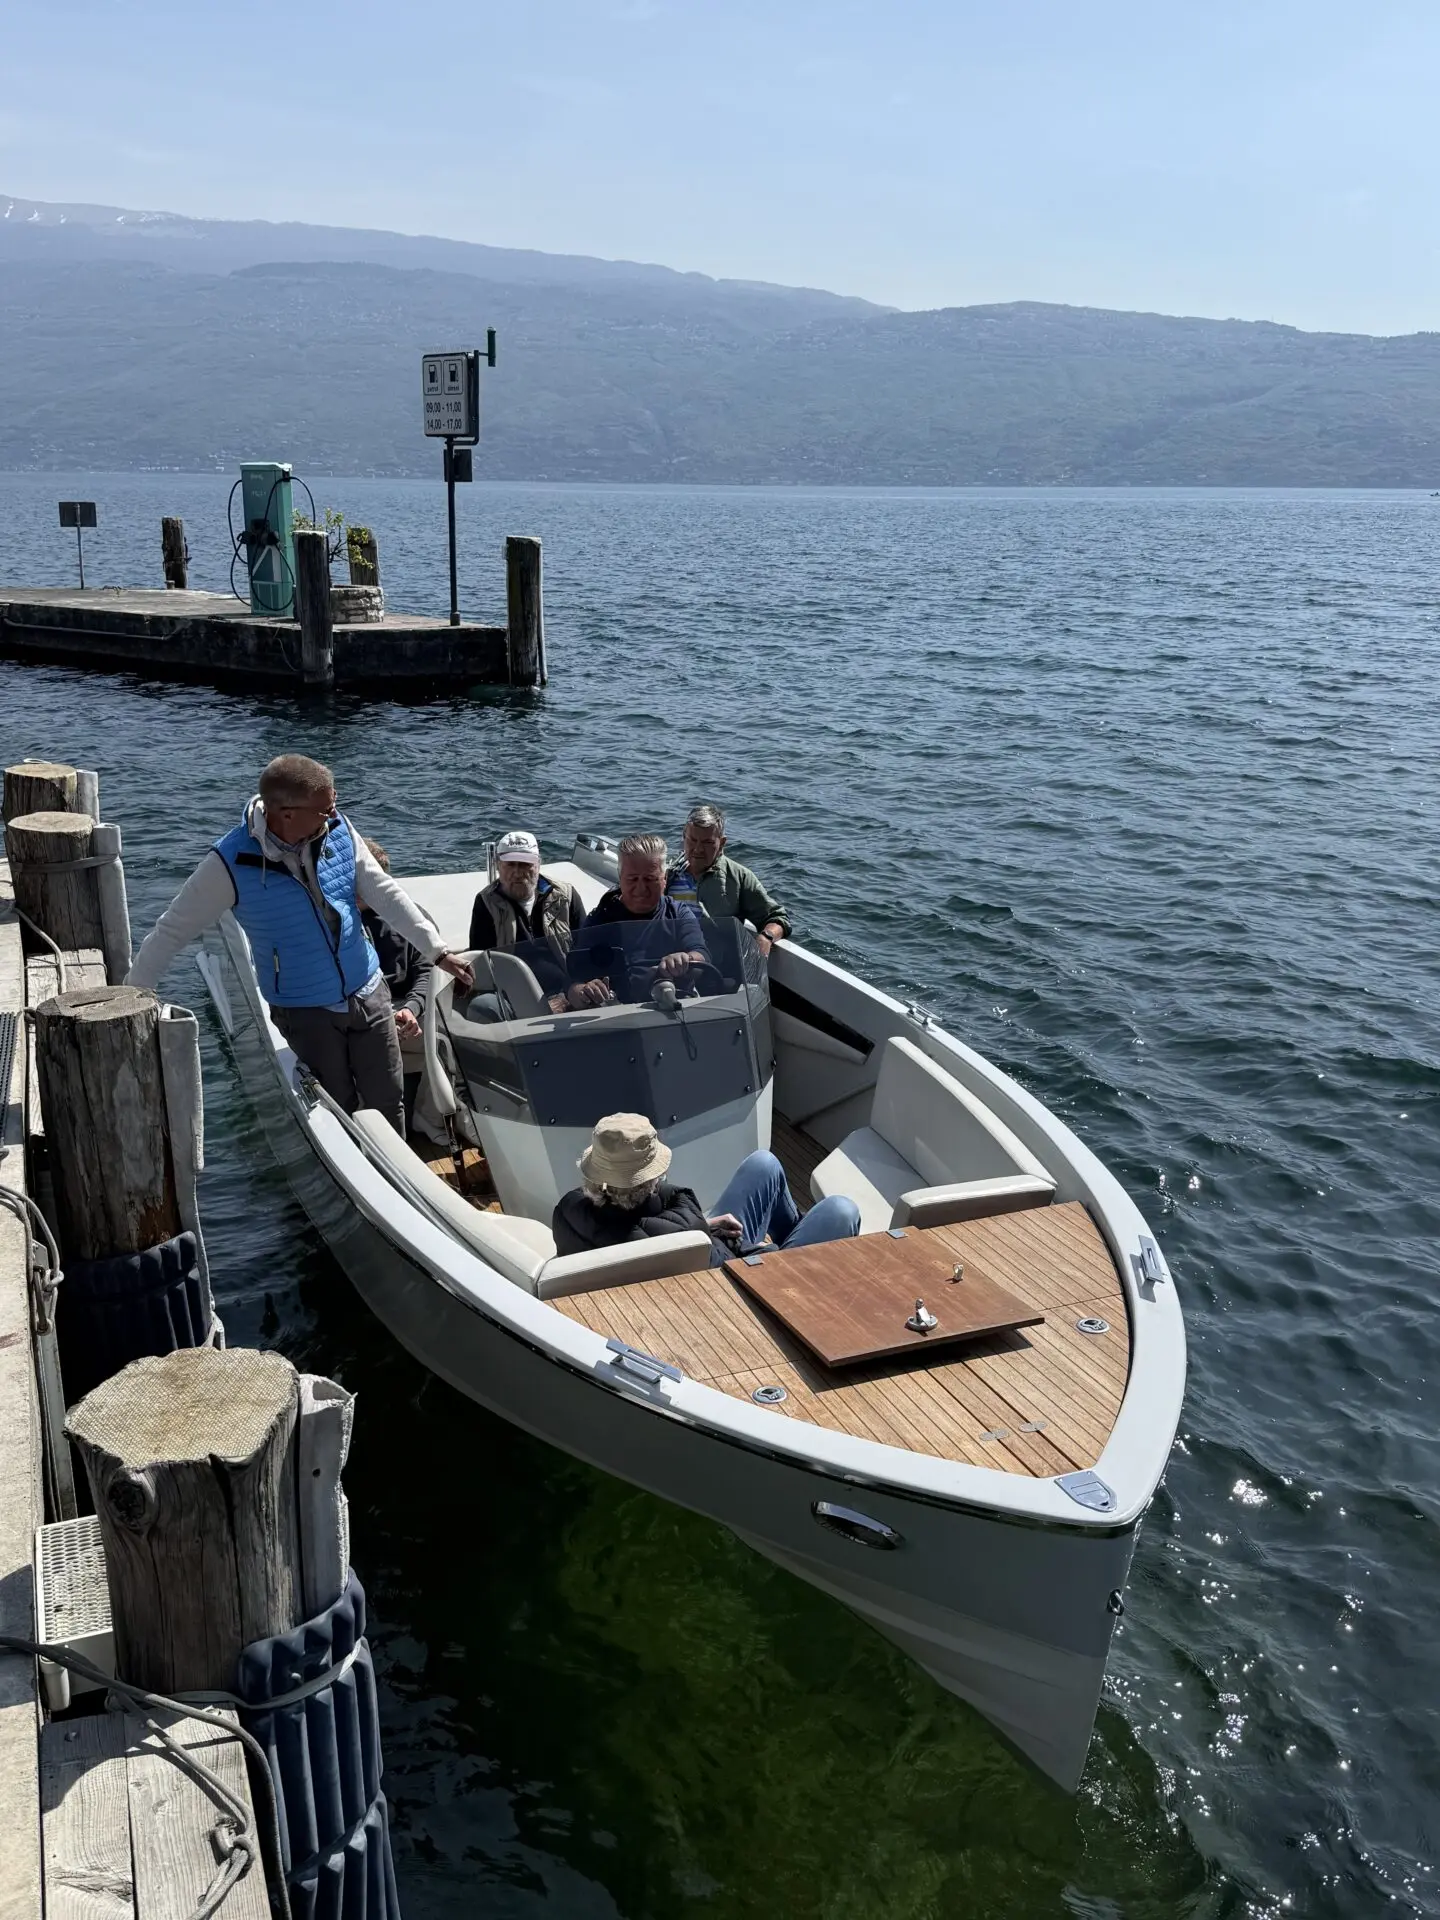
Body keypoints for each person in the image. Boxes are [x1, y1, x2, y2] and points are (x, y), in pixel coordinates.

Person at [126, 754, 473, 1132]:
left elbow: (385, 893)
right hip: (306, 1010)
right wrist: (132, 998)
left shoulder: (338, 827)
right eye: (325, 809)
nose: (333, 814)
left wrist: (437, 951)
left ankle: (399, 1179)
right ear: (286, 813)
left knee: (389, 1100)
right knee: (338, 1108)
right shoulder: (229, 863)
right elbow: (172, 930)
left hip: (370, 991)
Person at [553, 1112, 861, 1263]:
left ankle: (800, 1237)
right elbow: (680, 1236)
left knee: (763, 1164)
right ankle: (805, 1252)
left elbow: (643, 1231)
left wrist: (707, 1226)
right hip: (750, 1279)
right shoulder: (680, 1226)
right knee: (841, 1211)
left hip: (708, 1253)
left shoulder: (569, 1213)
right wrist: (773, 1254)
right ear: (650, 1182)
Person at [569, 833, 710, 1007]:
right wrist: (583, 991)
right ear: (620, 878)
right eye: (633, 879)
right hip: (618, 1015)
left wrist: (686, 959)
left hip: (676, 1009)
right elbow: (573, 981)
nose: (641, 888)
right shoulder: (599, 920)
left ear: (664, 879)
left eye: (650, 879)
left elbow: (701, 955)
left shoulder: (678, 913)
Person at [666, 802, 790, 957]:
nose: (698, 849)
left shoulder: (738, 877)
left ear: (722, 842)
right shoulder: (666, 875)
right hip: (668, 961)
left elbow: (777, 917)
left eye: (707, 842)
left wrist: (766, 937)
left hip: (716, 967)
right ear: (684, 837)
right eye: (692, 840)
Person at [468, 830, 585, 957]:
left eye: (525, 864)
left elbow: (586, 944)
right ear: (498, 865)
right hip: (513, 976)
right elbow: (481, 959)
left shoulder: (565, 895)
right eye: (510, 864)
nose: (517, 873)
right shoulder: (486, 902)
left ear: (538, 864)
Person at [361, 838, 433, 1043]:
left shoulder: (412, 917)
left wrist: (411, 1008)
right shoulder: (331, 922)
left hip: (406, 1005)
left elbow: (427, 970)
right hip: (360, 1013)